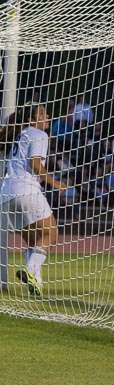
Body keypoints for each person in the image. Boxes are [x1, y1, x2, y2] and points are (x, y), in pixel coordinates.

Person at [0, 103, 69, 295]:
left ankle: (36, 282)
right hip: (26, 190)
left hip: (6, 195)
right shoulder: (39, 134)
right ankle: (31, 272)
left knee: (35, 242)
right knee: (51, 234)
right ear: (31, 120)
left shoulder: (19, 134)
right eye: (41, 113)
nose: (46, 115)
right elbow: (36, 165)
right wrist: (56, 184)